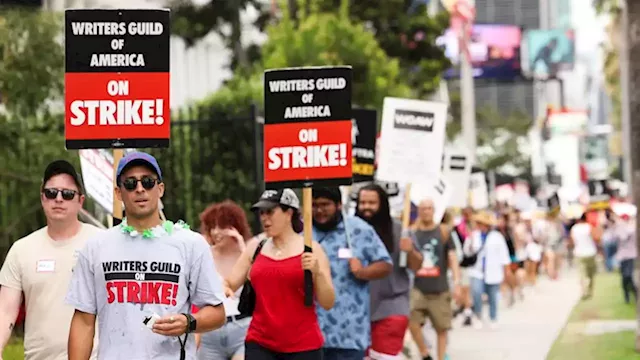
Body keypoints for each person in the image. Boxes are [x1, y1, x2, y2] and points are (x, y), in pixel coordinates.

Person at [66, 152, 227, 360]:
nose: (140, 189)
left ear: (160, 189)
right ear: (118, 193)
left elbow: (218, 314)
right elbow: (83, 321)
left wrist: (189, 322)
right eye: (130, 183)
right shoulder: (96, 247)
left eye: (148, 182)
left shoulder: (191, 244)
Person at [0, 160, 102, 360]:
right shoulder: (21, 250)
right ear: (42, 198)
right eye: (51, 193)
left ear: (80, 201)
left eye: (67, 194)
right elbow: (5, 311)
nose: (58, 199)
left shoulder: (102, 243)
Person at [224, 189, 335, 359]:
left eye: (270, 212)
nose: (264, 218)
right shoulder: (256, 247)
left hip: (303, 345)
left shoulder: (312, 250)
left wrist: (318, 272)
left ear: (289, 213)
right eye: (261, 213)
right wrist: (225, 289)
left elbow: (328, 303)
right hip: (260, 342)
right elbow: (230, 283)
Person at [311, 187, 392, 360]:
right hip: (310, 334)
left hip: (349, 335)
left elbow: (385, 265)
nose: (319, 210)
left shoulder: (359, 230)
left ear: (339, 205)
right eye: (314, 205)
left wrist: (363, 272)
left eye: (325, 205)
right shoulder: (303, 232)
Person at [355, 184, 421, 359]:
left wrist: (410, 251)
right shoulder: (349, 231)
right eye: (362, 203)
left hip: (391, 308)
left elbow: (416, 266)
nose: (366, 207)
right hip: (357, 311)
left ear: (382, 205)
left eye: (372, 202)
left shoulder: (400, 230)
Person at [195, 200, 257, 360]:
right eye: (212, 227)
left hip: (242, 327)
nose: (216, 232)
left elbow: (258, 281)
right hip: (211, 331)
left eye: (222, 226)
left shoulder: (248, 251)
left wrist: (243, 247)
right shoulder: (205, 253)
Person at [408, 199, 461, 360]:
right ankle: (424, 353)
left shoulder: (443, 231)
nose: (426, 212)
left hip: (439, 287)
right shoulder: (412, 232)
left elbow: (452, 257)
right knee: (412, 322)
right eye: (423, 209)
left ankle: (440, 357)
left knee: (441, 328)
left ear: (434, 211)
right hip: (417, 287)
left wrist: (457, 282)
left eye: (429, 208)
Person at [465, 211, 510, 329]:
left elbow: (504, 256)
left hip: (493, 271)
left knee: (493, 296)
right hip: (477, 271)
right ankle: (478, 316)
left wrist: (506, 271)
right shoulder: (474, 236)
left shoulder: (497, 237)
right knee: (476, 292)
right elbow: (467, 252)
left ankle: (493, 317)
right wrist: (469, 242)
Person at [569, 212, 601, 300]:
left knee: (582, 274)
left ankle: (584, 291)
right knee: (590, 274)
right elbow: (596, 238)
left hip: (579, 253)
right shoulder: (589, 227)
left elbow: (571, 241)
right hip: (590, 252)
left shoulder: (574, 228)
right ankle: (589, 291)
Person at [614, 214, 637, 304]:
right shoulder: (619, 229)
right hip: (622, 256)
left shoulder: (631, 228)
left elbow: (625, 237)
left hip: (630, 255)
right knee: (624, 277)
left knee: (628, 275)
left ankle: (634, 292)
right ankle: (626, 294)